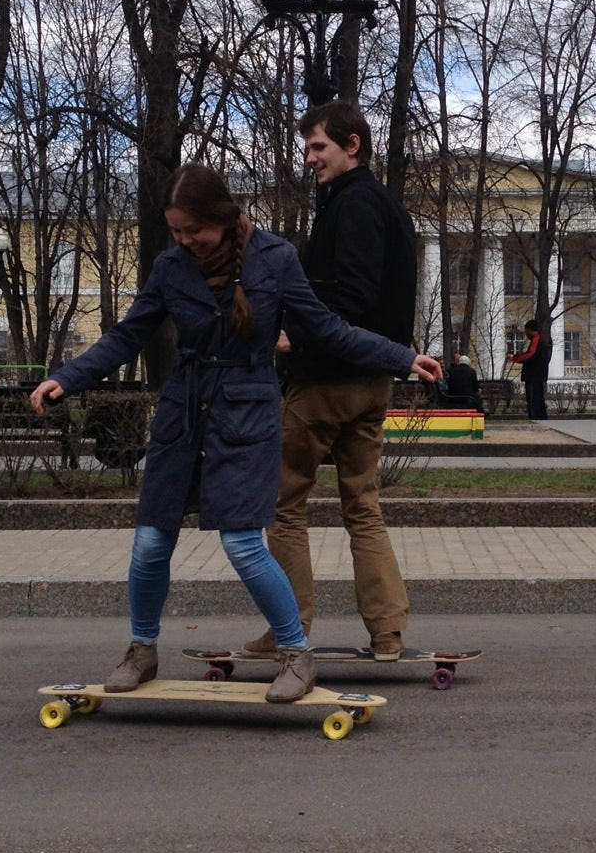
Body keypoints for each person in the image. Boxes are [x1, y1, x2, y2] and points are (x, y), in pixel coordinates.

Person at [30, 164, 441, 703]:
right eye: (175, 230)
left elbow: (328, 328)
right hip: (183, 415)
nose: (184, 240)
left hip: (247, 417)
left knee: (244, 544)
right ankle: (142, 649)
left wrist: (402, 356)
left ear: (221, 218)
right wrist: (67, 377)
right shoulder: (171, 267)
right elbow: (128, 335)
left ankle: (296, 654)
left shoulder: (275, 259)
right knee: (151, 544)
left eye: (191, 229)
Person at [244, 102, 421, 663]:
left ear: (353, 145)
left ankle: (287, 628)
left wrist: (297, 333)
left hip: (328, 379)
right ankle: (388, 632)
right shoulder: (384, 207)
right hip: (373, 378)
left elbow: (351, 295)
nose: (309, 158)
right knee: (362, 505)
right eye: (308, 148)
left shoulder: (355, 206)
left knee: (280, 502)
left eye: (319, 147)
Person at [510, 317, 550, 420]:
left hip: (533, 376)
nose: (525, 333)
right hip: (538, 375)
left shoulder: (536, 340)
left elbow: (530, 355)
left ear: (530, 330)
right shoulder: (540, 340)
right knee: (539, 399)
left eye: (526, 330)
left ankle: (535, 418)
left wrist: (515, 358)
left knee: (533, 399)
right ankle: (541, 418)